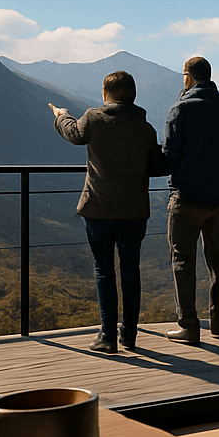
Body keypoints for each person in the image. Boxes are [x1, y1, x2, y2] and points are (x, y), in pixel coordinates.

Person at [49, 70, 163, 353]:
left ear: (106, 93)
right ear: (133, 95)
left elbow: (75, 134)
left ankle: (107, 336)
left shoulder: (94, 118)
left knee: (104, 270)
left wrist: (60, 115)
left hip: (98, 208)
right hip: (134, 211)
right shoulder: (145, 129)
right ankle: (130, 335)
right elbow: (157, 165)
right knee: (130, 271)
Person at [162, 55, 219, 343]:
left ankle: (188, 326)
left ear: (188, 77)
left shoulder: (179, 110)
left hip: (186, 198)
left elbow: (168, 159)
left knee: (183, 260)